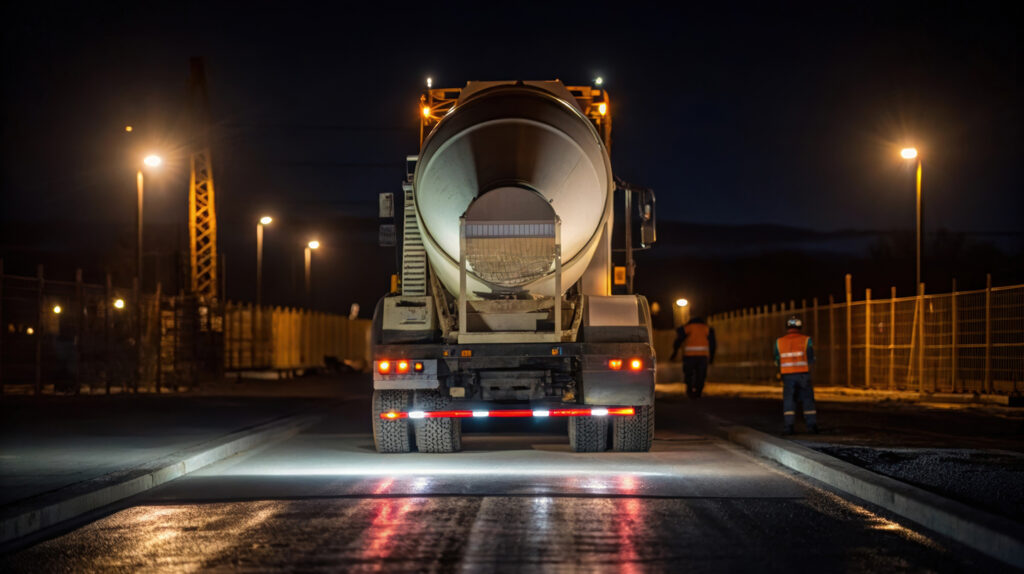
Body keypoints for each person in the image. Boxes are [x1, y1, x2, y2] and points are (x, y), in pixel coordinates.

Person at [774, 316, 817, 435]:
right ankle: (811, 426)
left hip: (787, 375)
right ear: (799, 326)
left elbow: (777, 360)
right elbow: (811, 358)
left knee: (789, 400)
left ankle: (789, 427)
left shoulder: (779, 341)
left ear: (787, 327)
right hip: (803, 374)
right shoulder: (806, 340)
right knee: (808, 400)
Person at [669, 316, 716, 398]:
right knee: (701, 375)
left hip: (689, 356)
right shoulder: (706, 328)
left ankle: (689, 391)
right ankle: (698, 392)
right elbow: (713, 344)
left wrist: (675, 352)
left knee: (688, 374)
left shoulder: (689, 327)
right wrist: (712, 357)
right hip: (702, 357)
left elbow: (679, 339)